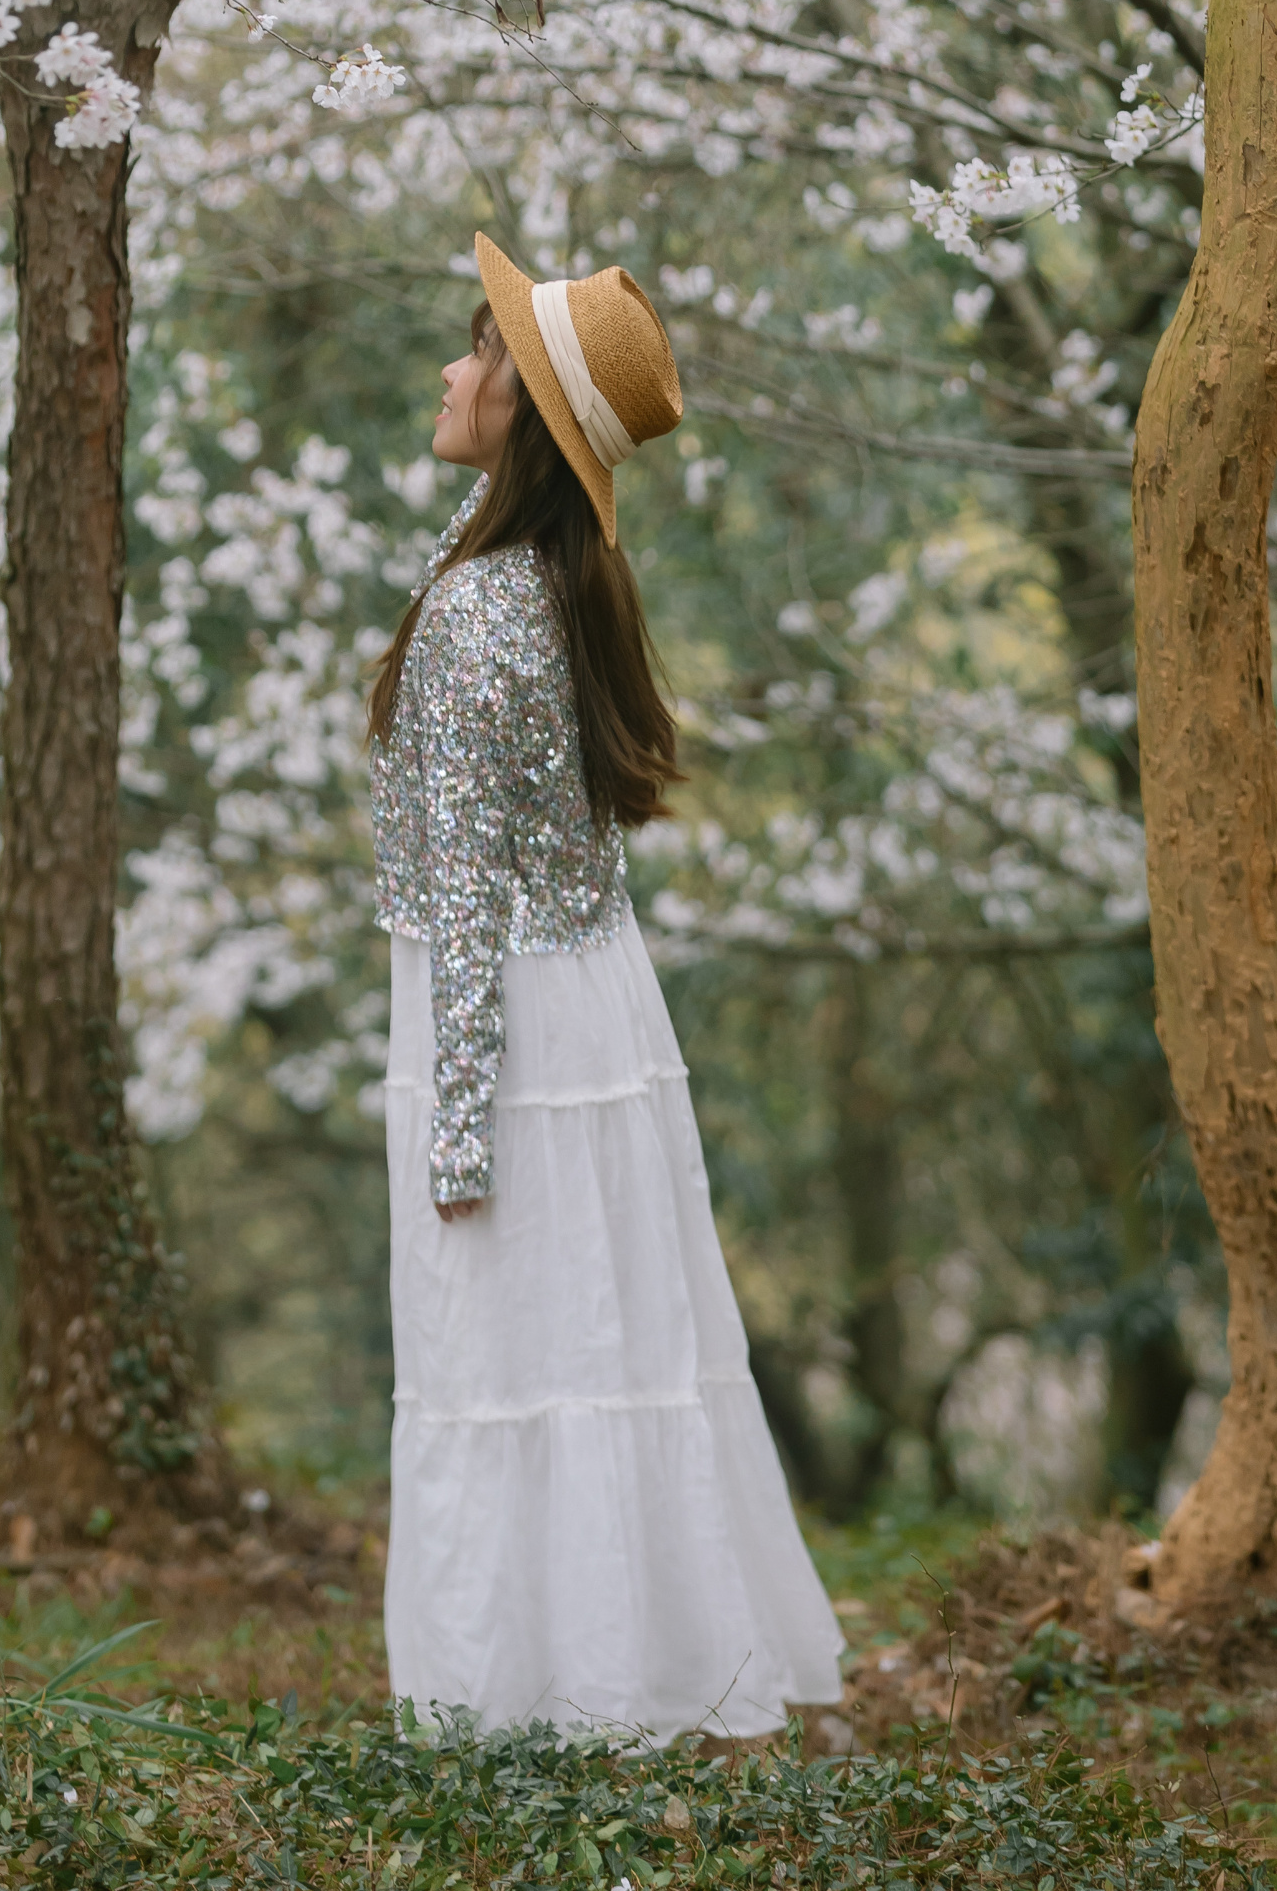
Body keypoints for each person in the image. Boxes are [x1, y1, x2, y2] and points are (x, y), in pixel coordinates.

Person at [368, 232, 844, 1740]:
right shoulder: (564, 582)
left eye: (477, 351)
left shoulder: (471, 612)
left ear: (521, 409)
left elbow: (459, 897)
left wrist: (455, 1130)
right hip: (595, 1004)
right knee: (605, 1345)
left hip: (499, 1027)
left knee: (502, 1353)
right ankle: (640, 1670)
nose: (452, 370)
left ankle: (509, 1696)